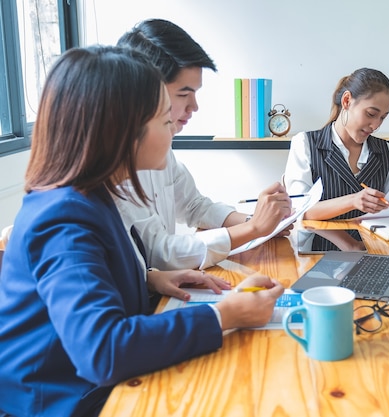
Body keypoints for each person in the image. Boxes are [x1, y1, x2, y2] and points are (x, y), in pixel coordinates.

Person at [0, 46, 285, 417]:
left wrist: (148, 278)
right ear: (122, 131)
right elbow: (103, 351)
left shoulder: (92, 194)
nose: (173, 130)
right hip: (62, 402)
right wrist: (225, 316)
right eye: (166, 121)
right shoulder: (65, 218)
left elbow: (88, 281)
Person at [114, 19, 291, 271]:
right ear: (143, 91)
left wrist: (259, 222)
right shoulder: (112, 171)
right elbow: (156, 251)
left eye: (196, 93)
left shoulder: (158, 149)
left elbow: (195, 206)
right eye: (183, 94)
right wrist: (253, 228)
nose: (194, 107)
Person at [284, 67, 389, 221]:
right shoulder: (305, 144)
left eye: (382, 118)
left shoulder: (388, 152)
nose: (375, 125)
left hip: (373, 248)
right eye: (371, 114)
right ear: (347, 100)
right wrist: (353, 201)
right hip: (317, 250)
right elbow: (299, 211)